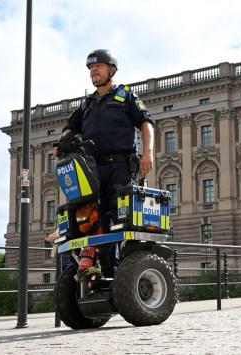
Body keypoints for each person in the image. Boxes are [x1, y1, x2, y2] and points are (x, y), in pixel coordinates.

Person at [55, 49, 155, 278]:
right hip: (91, 169)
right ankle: (95, 265)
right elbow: (71, 126)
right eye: (91, 68)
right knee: (90, 216)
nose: (94, 71)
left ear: (112, 69)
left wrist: (147, 153)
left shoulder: (126, 96)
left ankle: (118, 269)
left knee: (118, 218)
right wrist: (64, 139)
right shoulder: (87, 103)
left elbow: (146, 124)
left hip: (120, 167)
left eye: (98, 66)